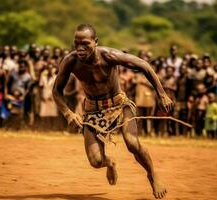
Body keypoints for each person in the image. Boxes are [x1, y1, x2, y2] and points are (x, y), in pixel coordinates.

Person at [53, 24, 173, 199]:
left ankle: (153, 176)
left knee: (132, 143)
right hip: (93, 111)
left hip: (120, 105)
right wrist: (68, 113)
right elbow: (56, 90)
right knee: (96, 162)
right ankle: (110, 162)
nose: (80, 48)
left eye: (85, 43)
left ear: (95, 42)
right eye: (76, 44)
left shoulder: (109, 55)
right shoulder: (70, 61)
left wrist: (162, 94)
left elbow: (144, 65)